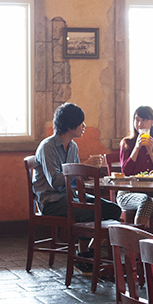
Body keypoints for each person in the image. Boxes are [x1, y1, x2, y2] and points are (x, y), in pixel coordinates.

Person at [33, 103, 122, 274]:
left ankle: (88, 253)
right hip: (50, 201)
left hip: (70, 196)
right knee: (91, 211)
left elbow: (73, 181)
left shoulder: (73, 146)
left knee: (113, 209)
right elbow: (55, 181)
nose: (84, 127)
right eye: (81, 123)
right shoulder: (47, 147)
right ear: (70, 125)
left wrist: (86, 172)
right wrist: (82, 167)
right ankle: (83, 256)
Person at [117, 106, 153, 227]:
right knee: (146, 200)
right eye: (137, 119)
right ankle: (138, 242)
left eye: (144, 120)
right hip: (128, 192)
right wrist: (136, 148)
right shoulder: (127, 143)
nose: (140, 124)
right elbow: (126, 171)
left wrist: (151, 153)